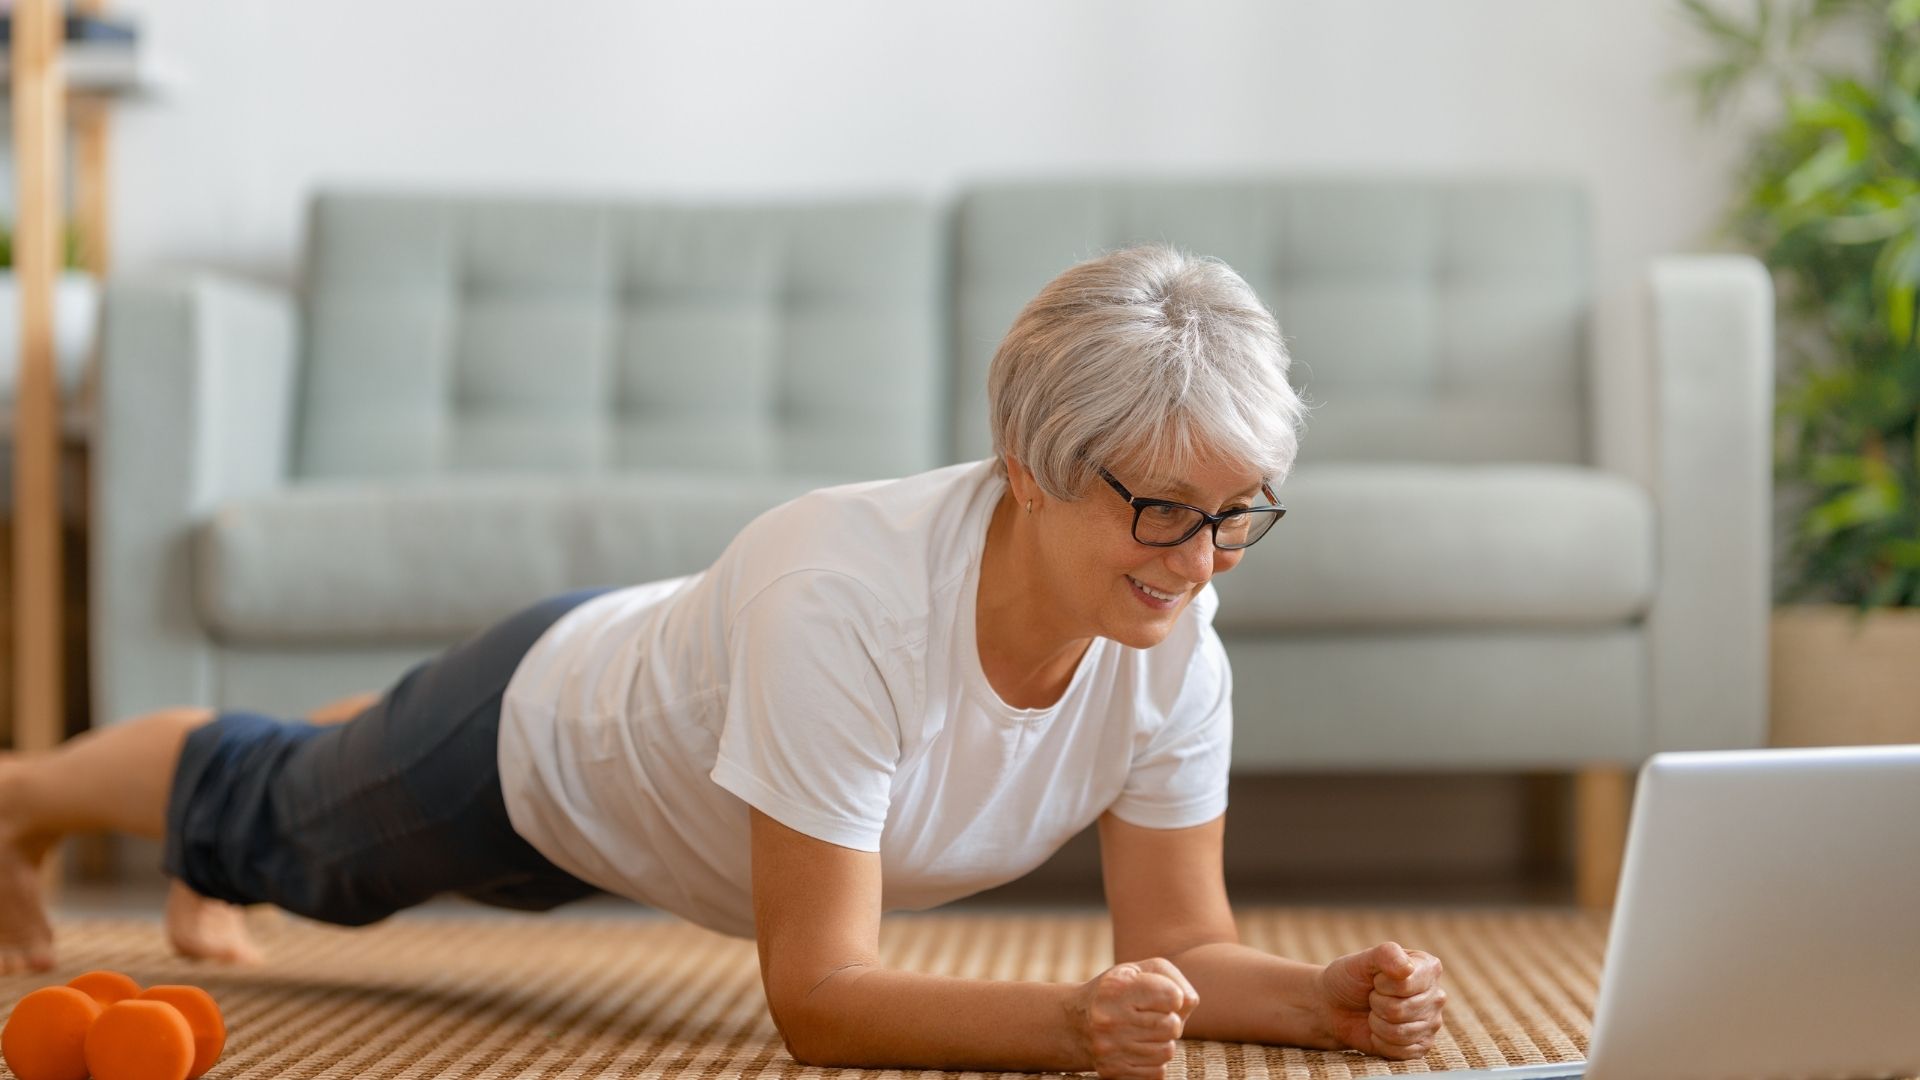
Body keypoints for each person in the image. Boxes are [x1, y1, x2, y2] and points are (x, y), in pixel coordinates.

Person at [0, 245, 1447, 1076]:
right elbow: (817, 1001)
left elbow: (1180, 944)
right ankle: (23, 794)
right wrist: (1064, 1023)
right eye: (1157, 511)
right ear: (1026, 469)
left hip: (668, 736)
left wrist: (1321, 999)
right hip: (543, 750)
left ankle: (316, 750)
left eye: (1233, 515)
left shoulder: (1174, 637)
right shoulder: (848, 602)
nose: (1199, 561)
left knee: (320, 765)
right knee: (276, 820)